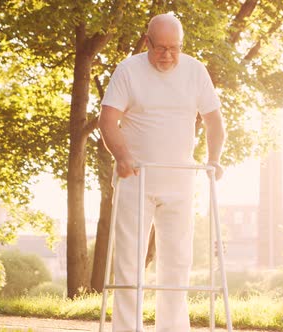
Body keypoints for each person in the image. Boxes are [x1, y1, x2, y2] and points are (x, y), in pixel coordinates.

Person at [98, 13, 226, 332]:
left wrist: (214, 158)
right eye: (161, 48)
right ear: (148, 41)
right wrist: (123, 156)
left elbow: (214, 121)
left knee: (177, 263)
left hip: (180, 179)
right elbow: (107, 120)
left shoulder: (195, 71)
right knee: (129, 263)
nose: (167, 55)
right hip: (135, 179)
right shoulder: (128, 70)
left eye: (174, 48)